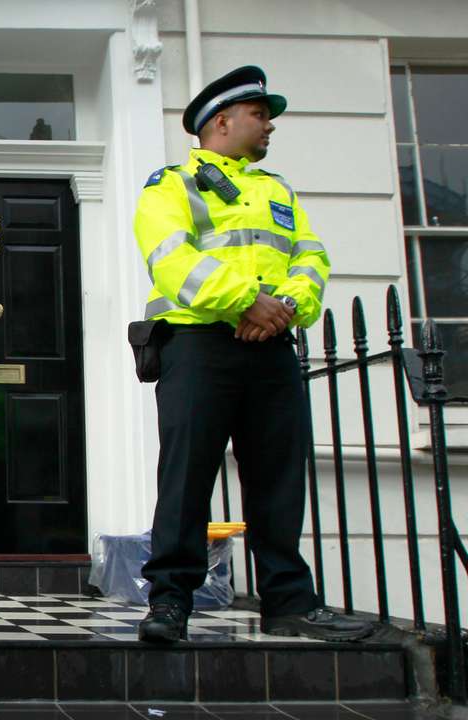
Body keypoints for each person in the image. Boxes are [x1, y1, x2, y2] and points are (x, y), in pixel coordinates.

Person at [132, 65, 372, 643]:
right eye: (261, 115)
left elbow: (311, 258)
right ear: (222, 121)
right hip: (197, 344)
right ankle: (169, 603)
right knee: (187, 475)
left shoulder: (279, 190)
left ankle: (289, 600)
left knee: (278, 476)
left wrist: (284, 307)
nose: (269, 127)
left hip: (270, 344)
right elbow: (170, 259)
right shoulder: (170, 183)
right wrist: (246, 302)